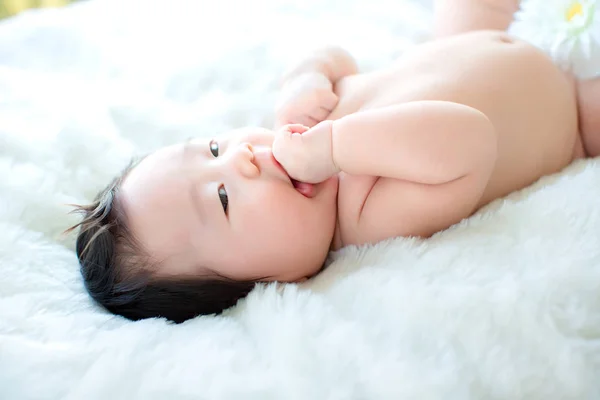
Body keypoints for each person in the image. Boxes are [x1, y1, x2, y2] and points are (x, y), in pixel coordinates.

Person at [67, 0, 600, 323]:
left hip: (464, 41)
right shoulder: (368, 214)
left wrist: (306, 79)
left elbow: (338, 59)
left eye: (212, 148)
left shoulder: (303, 126)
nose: (243, 159)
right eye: (224, 198)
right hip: (570, 113)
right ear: (269, 282)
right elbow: (470, 140)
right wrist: (334, 146)